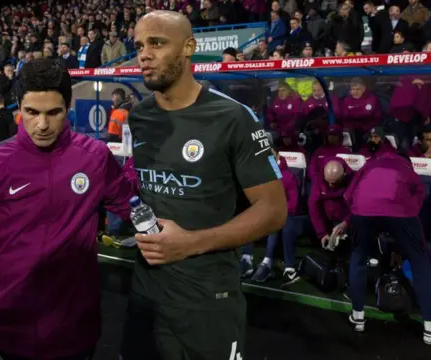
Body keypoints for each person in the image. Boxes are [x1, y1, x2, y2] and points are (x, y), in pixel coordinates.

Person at [0, 59, 136, 360]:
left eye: (54, 112)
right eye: (32, 112)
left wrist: (142, 164)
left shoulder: (94, 157)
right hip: (12, 333)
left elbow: (132, 207)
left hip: (77, 334)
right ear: (18, 108)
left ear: (68, 106)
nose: (43, 124)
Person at [121, 11, 287, 360]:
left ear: (189, 47)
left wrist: (191, 244)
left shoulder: (233, 117)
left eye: (157, 43)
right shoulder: (140, 117)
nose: (144, 55)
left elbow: (273, 211)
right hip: (145, 293)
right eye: (139, 46)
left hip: (208, 299)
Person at [344, 151, 431, 345]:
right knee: (420, 261)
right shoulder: (406, 166)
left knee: (358, 258)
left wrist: (358, 214)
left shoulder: (370, 164)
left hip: (363, 210)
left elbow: (348, 195)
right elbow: (420, 192)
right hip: (400, 212)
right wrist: (409, 213)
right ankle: (430, 327)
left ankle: (358, 317)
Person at [241, 147, 302, 286]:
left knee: (273, 220)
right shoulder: (261, 170)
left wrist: (275, 209)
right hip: (264, 209)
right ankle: (247, 259)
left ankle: (267, 263)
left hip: (282, 213)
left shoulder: (287, 175)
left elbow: (293, 203)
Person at [309, 157, 353, 249]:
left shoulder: (353, 180)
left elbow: (357, 206)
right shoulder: (318, 178)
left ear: (343, 175)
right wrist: (322, 233)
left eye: (334, 183)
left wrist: (347, 222)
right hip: (326, 217)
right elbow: (313, 205)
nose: (330, 185)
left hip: (345, 217)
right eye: (327, 181)